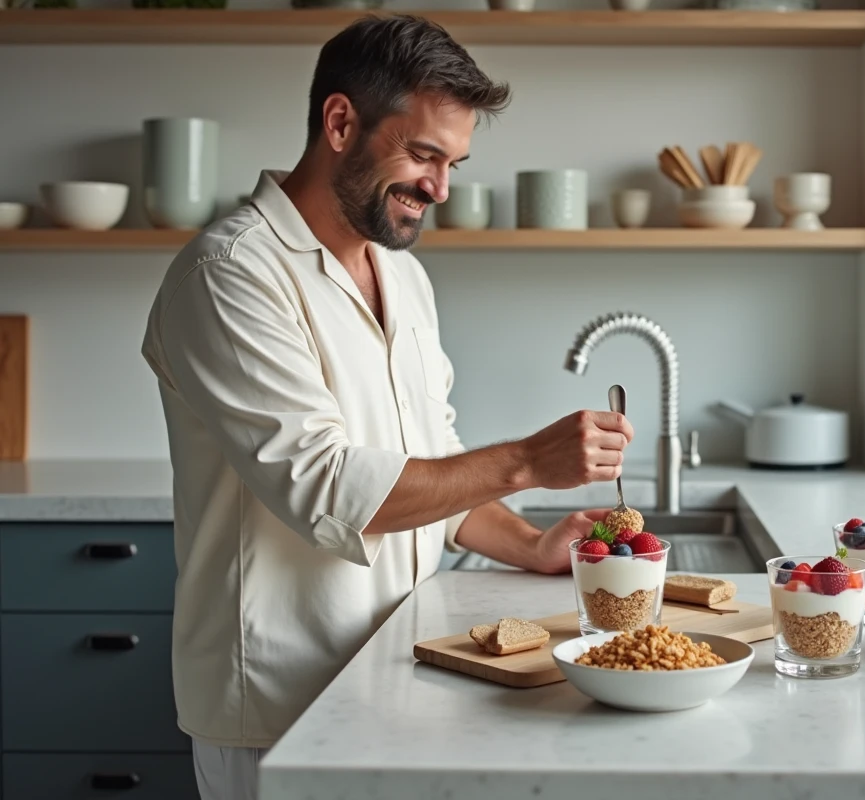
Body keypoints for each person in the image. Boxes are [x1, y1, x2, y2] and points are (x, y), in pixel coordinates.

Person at [140, 14, 633, 800]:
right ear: (341, 122)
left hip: (402, 673)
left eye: (454, 163)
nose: (439, 188)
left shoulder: (402, 278)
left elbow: (432, 471)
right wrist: (528, 461)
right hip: (278, 703)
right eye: (424, 154)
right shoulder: (229, 274)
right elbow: (331, 490)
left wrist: (531, 544)